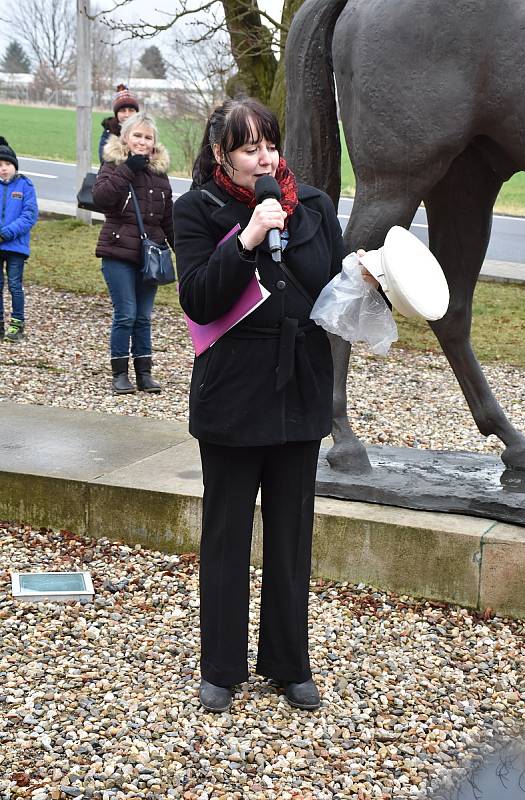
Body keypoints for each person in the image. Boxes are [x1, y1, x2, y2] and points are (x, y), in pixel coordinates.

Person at [173, 97, 346, 713]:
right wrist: (245, 239)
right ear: (222, 154)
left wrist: (373, 282)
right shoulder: (196, 209)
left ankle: (287, 662)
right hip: (232, 389)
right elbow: (199, 300)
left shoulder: (316, 207)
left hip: (299, 382)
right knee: (225, 534)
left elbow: (332, 288)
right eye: (249, 148)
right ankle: (220, 666)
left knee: (292, 534)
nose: (265, 158)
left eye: (270, 144)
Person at [93, 111, 174, 394]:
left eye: (147, 137)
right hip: (117, 251)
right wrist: (128, 168)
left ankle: (145, 372)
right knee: (126, 313)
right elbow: (101, 198)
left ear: (154, 143)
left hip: (150, 255)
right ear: (126, 138)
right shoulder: (113, 165)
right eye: (137, 135)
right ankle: (119, 373)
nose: (142, 141)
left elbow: (168, 219)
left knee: (143, 316)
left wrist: (185, 253)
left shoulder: (159, 175)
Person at [0, 137, 38, 342]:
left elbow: (29, 216)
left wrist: (5, 233)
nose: (3, 169)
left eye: (7, 164)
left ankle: (17, 323)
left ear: (14, 166)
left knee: (15, 285)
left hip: (15, 246)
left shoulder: (25, 186)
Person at [98, 84, 140, 165]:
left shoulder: (145, 130)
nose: (127, 115)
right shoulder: (109, 133)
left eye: (131, 110)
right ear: (116, 114)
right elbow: (105, 162)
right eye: (122, 110)